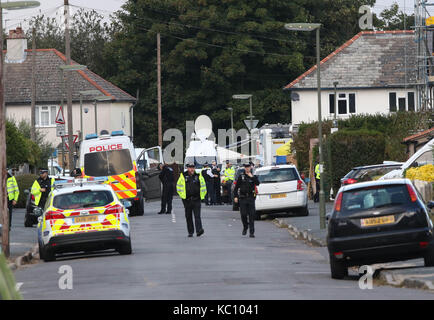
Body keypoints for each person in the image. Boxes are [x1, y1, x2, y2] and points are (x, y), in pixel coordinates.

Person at [176, 163, 207, 237]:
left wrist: (202, 196)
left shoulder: (198, 176)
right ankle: (190, 232)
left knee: (197, 216)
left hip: (196, 199)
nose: (192, 169)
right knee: (188, 216)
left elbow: (203, 186)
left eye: (193, 167)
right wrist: (183, 197)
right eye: (190, 168)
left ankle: (199, 230)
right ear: (187, 168)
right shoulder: (183, 176)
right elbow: (178, 187)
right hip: (187, 200)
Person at [233, 163, 260, 238]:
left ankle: (252, 232)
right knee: (243, 214)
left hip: (251, 197)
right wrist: (235, 196)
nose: (247, 169)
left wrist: (252, 177)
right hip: (243, 198)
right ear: (244, 168)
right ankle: (245, 226)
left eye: (248, 167)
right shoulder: (241, 176)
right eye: (246, 167)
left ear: (250, 168)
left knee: (251, 215)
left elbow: (258, 183)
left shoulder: (253, 176)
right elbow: (236, 188)